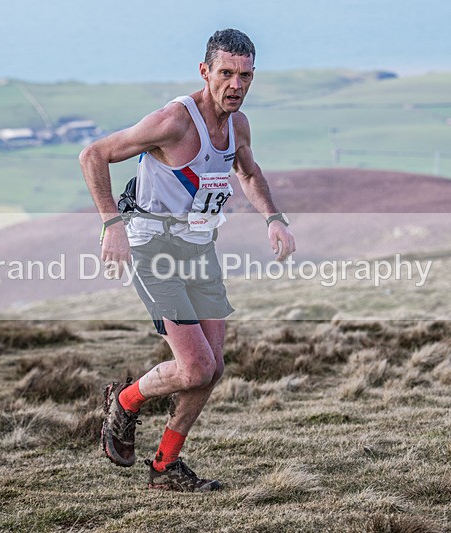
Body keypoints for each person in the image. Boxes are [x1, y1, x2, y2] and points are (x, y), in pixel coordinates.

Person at [79, 28, 296, 491]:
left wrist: (274, 218)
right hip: (152, 248)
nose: (236, 85)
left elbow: (249, 172)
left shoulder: (239, 126)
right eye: (226, 73)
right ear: (205, 72)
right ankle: (126, 401)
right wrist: (111, 223)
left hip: (199, 249)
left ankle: (164, 466)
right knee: (195, 367)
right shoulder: (174, 121)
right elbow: (93, 155)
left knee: (212, 368)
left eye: (245, 75)